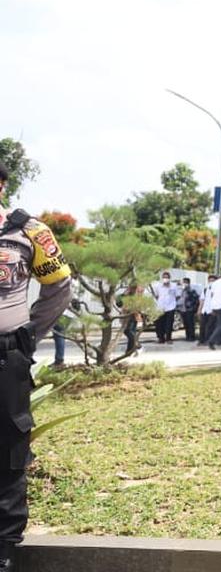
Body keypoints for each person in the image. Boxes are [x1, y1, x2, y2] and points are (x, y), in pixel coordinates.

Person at [0, 163, 73, 571]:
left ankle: (5, 547)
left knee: (9, 446)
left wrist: (29, 336)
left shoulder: (30, 231)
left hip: (5, 355)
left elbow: (59, 286)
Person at [202, 270, 221, 351]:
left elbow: (212, 295)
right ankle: (211, 341)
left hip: (214, 306)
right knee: (220, 325)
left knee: (217, 324)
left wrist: (212, 307)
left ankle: (218, 340)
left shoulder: (215, 283)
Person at [149, 272, 178, 344]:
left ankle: (168, 338)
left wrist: (173, 302)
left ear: (169, 278)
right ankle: (161, 338)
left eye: (167, 277)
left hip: (170, 307)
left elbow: (177, 295)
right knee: (159, 324)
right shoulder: (158, 286)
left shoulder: (173, 286)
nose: (165, 279)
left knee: (169, 324)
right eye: (164, 277)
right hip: (160, 307)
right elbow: (155, 295)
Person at [178, 277, 199, 342]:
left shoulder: (192, 290)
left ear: (189, 283)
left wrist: (193, 308)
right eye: (183, 282)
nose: (184, 284)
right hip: (183, 310)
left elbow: (196, 300)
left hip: (189, 310)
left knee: (190, 324)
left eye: (186, 282)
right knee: (186, 324)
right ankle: (187, 336)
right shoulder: (181, 291)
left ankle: (192, 337)